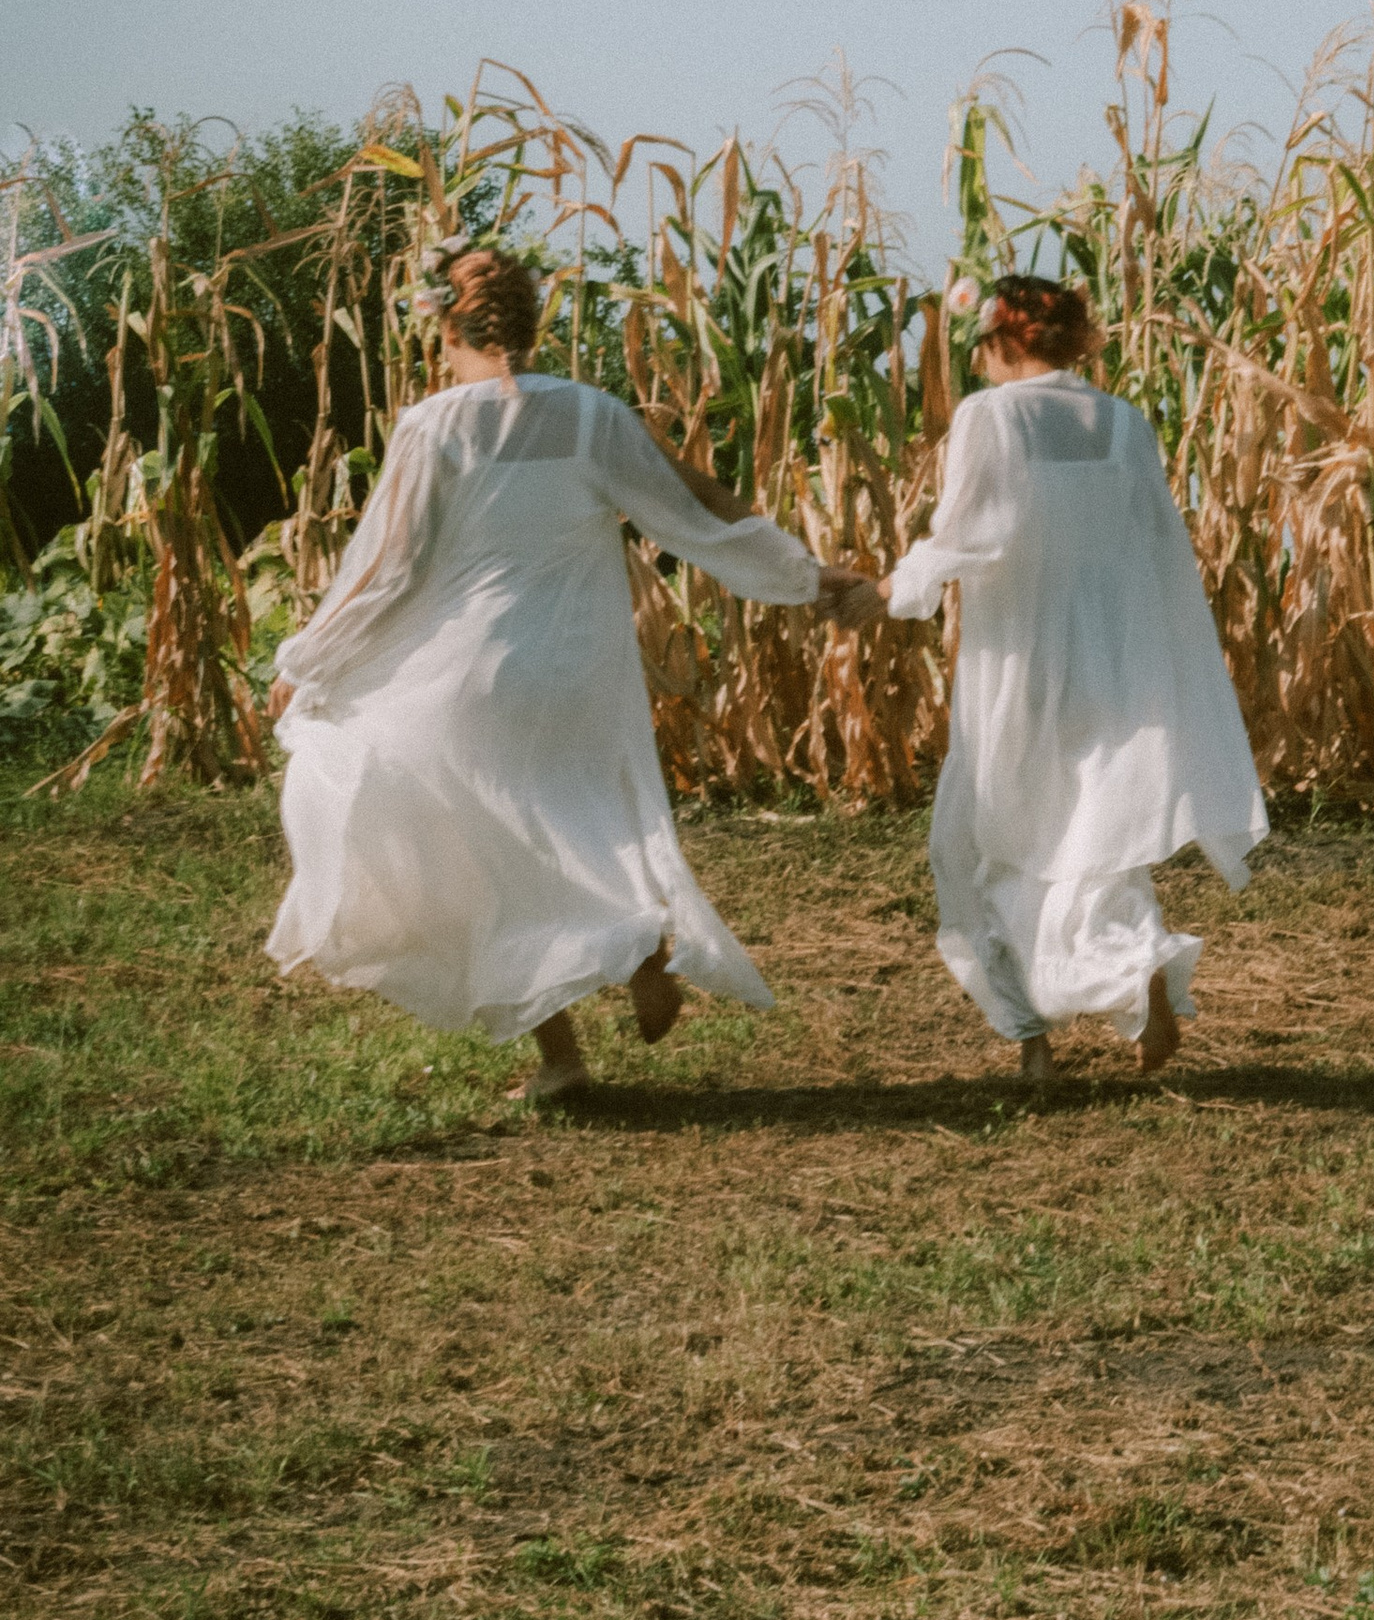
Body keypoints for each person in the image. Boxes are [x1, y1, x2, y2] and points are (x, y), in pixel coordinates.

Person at [265, 245, 868, 1101]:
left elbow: (388, 571)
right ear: (531, 324)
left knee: (484, 853)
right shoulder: (594, 416)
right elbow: (694, 504)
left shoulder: (431, 427)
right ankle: (622, 970)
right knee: (585, 820)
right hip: (578, 666)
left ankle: (574, 1039)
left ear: (447, 327)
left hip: (467, 673)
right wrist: (804, 575)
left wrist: (307, 662)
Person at [845, 271, 1266, 1086]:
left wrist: (888, 593)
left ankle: (1036, 1040)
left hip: (1021, 660)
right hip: (1116, 660)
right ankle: (1132, 965)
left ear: (1005, 341)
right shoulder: (1123, 423)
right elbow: (1155, 544)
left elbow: (969, 535)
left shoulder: (990, 417)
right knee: (1094, 844)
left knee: (984, 841)